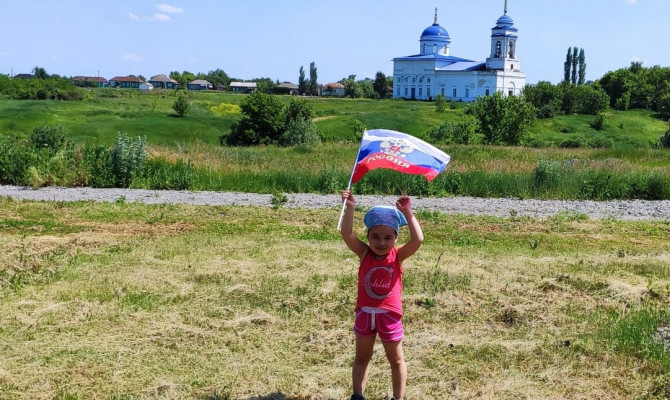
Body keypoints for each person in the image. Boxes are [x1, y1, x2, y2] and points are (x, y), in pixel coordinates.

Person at [340, 189, 424, 400]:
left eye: (388, 237)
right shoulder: (364, 253)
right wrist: (350, 207)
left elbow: (418, 240)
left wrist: (408, 213)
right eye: (375, 237)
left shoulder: (397, 256)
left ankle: (398, 398)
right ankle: (358, 396)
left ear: (396, 238)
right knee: (361, 358)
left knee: (396, 360)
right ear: (368, 236)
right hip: (365, 315)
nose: (381, 242)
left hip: (389, 316)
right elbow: (347, 234)